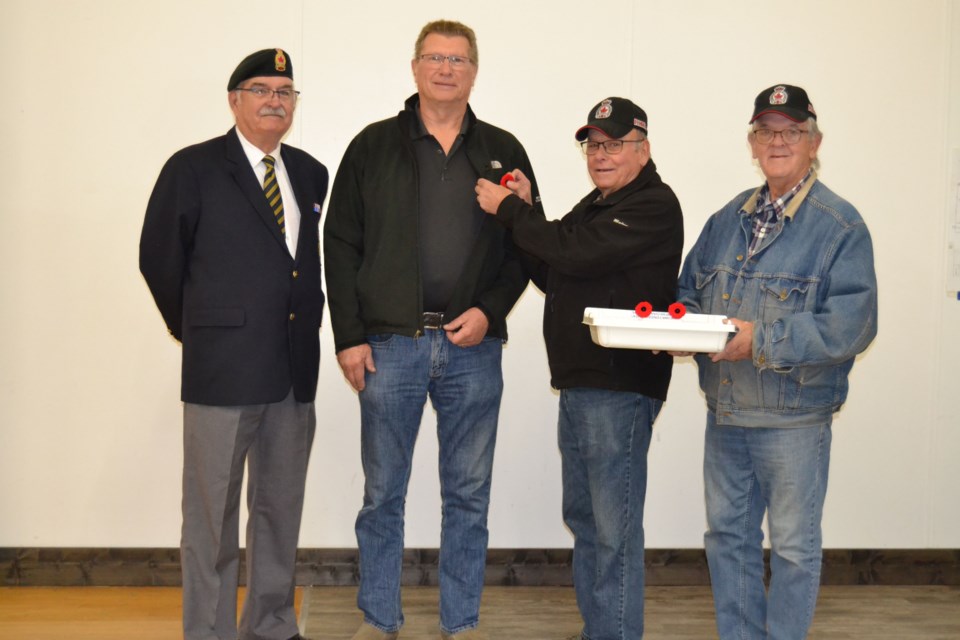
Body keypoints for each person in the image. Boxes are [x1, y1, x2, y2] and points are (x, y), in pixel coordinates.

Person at [323, 19, 540, 640]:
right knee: (382, 497)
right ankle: (378, 619)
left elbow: (529, 243)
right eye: (435, 58)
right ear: (415, 67)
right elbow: (339, 245)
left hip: (473, 350)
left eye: (459, 59)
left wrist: (492, 310)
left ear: (474, 71)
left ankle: (461, 623)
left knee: (468, 498)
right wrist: (349, 336)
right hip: (390, 346)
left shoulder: (503, 151)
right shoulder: (372, 146)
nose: (446, 69)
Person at [475, 97, 684, 640]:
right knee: (588, 520)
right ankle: (602, 629)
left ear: (643, 148)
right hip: (582, 385)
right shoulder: (597, 204)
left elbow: (577, 253)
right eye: (594, 145)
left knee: (612, 528)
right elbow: (556, 267)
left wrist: (511, 210)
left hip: (618, 387)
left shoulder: (652, 204)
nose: (601, 154)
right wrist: (524, 209)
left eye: (614, 144)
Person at [675, 84, 878, 639]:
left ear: (815, 142)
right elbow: (688, 290)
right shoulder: (726, 220)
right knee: (728, 541)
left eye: (791, 132)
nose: (778, 141)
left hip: (795, 421)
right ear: (752, 143)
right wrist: (681, 328)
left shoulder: (840, 226)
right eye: (767, 132)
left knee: (792, 548)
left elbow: (851, 325)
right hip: (728, 414)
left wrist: (760, 339)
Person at [140, 48, 327, 640]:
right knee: (211, 520)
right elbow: (159, 260)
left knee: (278, 512)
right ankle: (211, 632)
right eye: (261, 89)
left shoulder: (310, 171)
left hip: (293, 374)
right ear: (234, 100)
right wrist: (197, 327)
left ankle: (271, 625)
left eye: (285, 91)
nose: (275, 100)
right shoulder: (191, 168)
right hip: (221, 374)